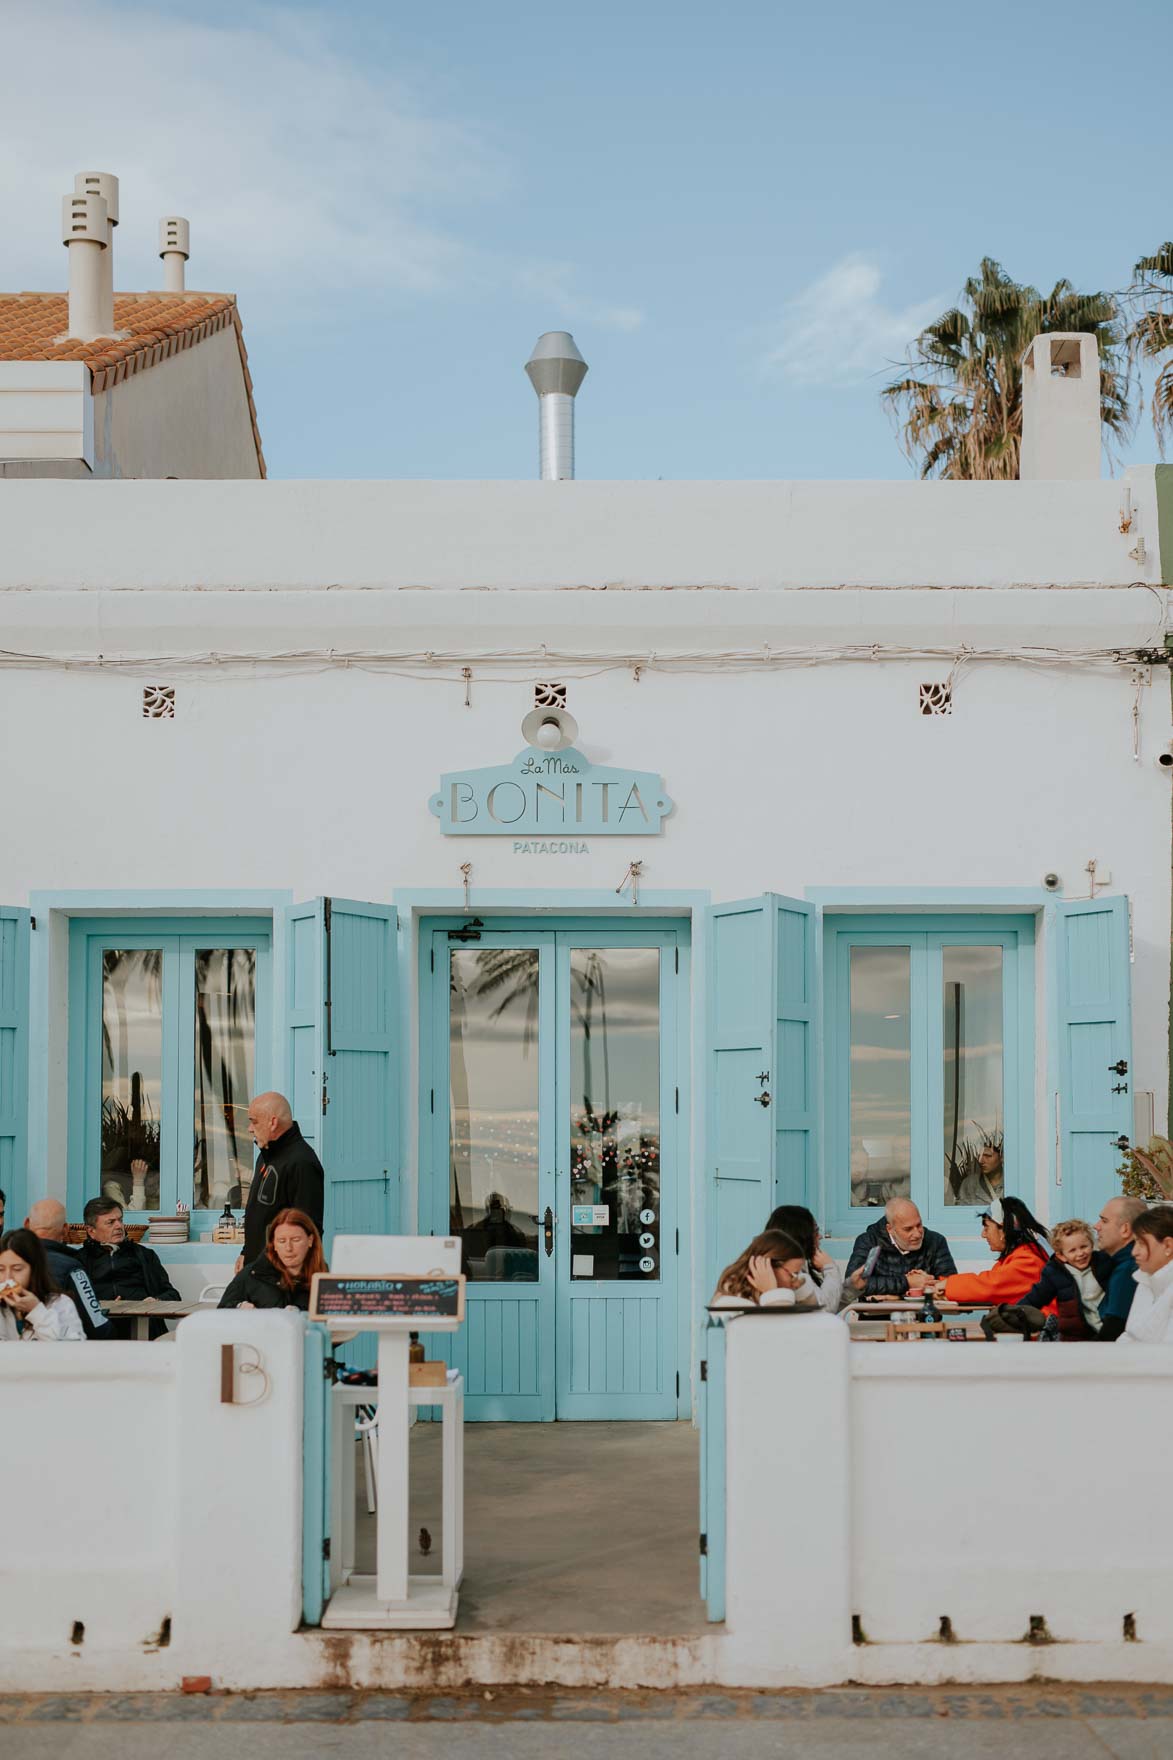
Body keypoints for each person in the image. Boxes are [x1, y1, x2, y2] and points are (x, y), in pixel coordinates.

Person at [238, 1092, 325, 1271]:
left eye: (254, 1121)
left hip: (281, 1276)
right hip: (256, 1268)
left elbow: (308, 1228)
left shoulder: (302, 1163)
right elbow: (260, 1213)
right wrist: (246, 1251)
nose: (250, 1128)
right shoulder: (266, 1155)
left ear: (273, 1122)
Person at [986, 1218, 1111, 1340]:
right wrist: (1010, 1315)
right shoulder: (1055, 1273)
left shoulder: (1103, 1263)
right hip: (1075, 1337)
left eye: (1084, 1247)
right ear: (1061, 1255)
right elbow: (1035, 1298)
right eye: (1072, 1250)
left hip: (1109, 1331)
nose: (1080, 1253)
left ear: (1091, 1244)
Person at [76, 1197, 181, 1339]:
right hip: (101, 1334)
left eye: (120, 1220)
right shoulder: (79, 1261)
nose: (119, 1226)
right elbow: (72, 1305)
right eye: (110, 1222)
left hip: (145, 1330)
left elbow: (173, 1295)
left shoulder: (144, 1255)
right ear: (91, 1231)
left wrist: (156, 1301)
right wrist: (105, 1306)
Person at [918, 1196, 1050, 1305]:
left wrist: (946, 1284)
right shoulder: (1022, 1256)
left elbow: (990, 1286)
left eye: (986, 1228)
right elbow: (986, 1284)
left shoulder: (1029, 1260)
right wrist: (941, 1283)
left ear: (1003, 1230)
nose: (983, 1234)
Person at [24, 1198, 113, 1340]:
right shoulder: (73, 1269)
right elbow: (98, 1327)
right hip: (57, 1354)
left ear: (27, 1224)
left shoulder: (8, 1262)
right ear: (66, 1229)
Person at [845, 1199, 957, 1300]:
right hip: (876, 1318)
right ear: (890, 1229)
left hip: (924, 1316)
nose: (917, 1234)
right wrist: (907, 1282)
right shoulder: (869, 1242)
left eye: (919, 1225)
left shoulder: (935, 1241)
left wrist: (930, 1282)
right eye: (908, 1229)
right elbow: (854, 1284)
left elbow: (952, 1285)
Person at [219, 1209, 327, 1312]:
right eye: (281, 1241)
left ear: (310, 1240)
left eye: (295, 1240)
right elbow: (221, 1311)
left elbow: (331, 1317)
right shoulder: (251, 1274)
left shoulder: (323, 1275)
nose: (288, 1248)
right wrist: (239, 1307)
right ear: (273, 1244)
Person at [0, 1229, 85, 1342]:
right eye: (1, 1269)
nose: (8, 1278)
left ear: (35, 1269)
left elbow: (71, 1352)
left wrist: (36, 1311)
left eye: (17, 1269)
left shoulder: (61, 1304)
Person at [711, 1229, 816, 1309]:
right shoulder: (732, 1303)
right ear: (767, 1267)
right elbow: (782, 1331)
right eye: (793, 1274)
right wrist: (772, 1294)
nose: (796, 1283)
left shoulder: (776, 1294)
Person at [766, 1205, 843, 1312]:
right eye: (816, 1231)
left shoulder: (798, 1266)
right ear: (802, 1237)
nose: (819, 1236)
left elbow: (824, 1300)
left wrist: (852, 1287)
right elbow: (824, 1309)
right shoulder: (789, 1272)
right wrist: (830, 1269)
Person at [1094, 1196, 1147, 1341]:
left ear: (1125, 1229)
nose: (1096, 1226)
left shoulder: (1127, 1270)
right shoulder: (1119, 1264)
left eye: (1104, 1221)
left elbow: (1113, 1329)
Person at [1119, 1207, 1173, 1344]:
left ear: (1168, 1246)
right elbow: (1130, 1336)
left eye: (1141, 1243)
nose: (1134, 1252)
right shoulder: (1145, 1280)